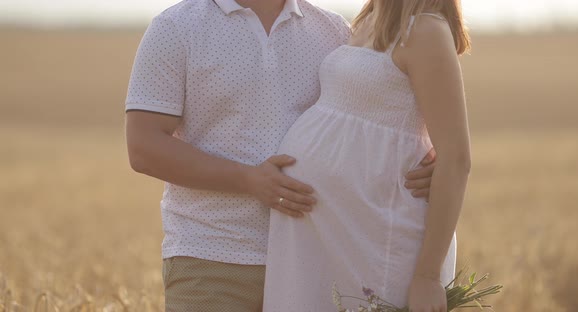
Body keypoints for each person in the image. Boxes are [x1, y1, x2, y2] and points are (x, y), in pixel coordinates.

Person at [124, 0, 437, 311]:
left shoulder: (334, 31)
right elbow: (144, 147)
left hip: (318, 255)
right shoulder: (176, 27)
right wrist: (249, 180)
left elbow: (371, 125)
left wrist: (422, 159)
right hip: (212, 256)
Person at [263, 0, 471, 311]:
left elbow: (456, 159)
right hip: (333, 238)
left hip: (377, 239)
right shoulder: (369, 19)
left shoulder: (426, 30)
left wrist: (427, 277)